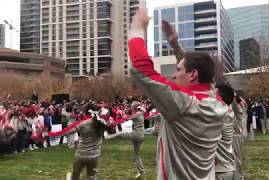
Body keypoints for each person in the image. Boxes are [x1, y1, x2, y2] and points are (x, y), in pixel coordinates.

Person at [128, 8, 230, 179]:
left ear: (192, 74)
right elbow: (202, 73)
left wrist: (136, 28)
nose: (174, 75)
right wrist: (175, 45)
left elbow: (139, 68)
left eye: (177, 70)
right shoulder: (216, 100)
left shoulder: (183, 104)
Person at [44, 103, 116, 180]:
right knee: (91, 177)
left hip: (81, 155)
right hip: (95, 155)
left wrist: (48, 133)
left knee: (75, 176)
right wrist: (110, 124)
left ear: (86, 112)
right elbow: (112, 131)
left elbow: (66, 132)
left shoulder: (83, 124)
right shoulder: (102, 123)